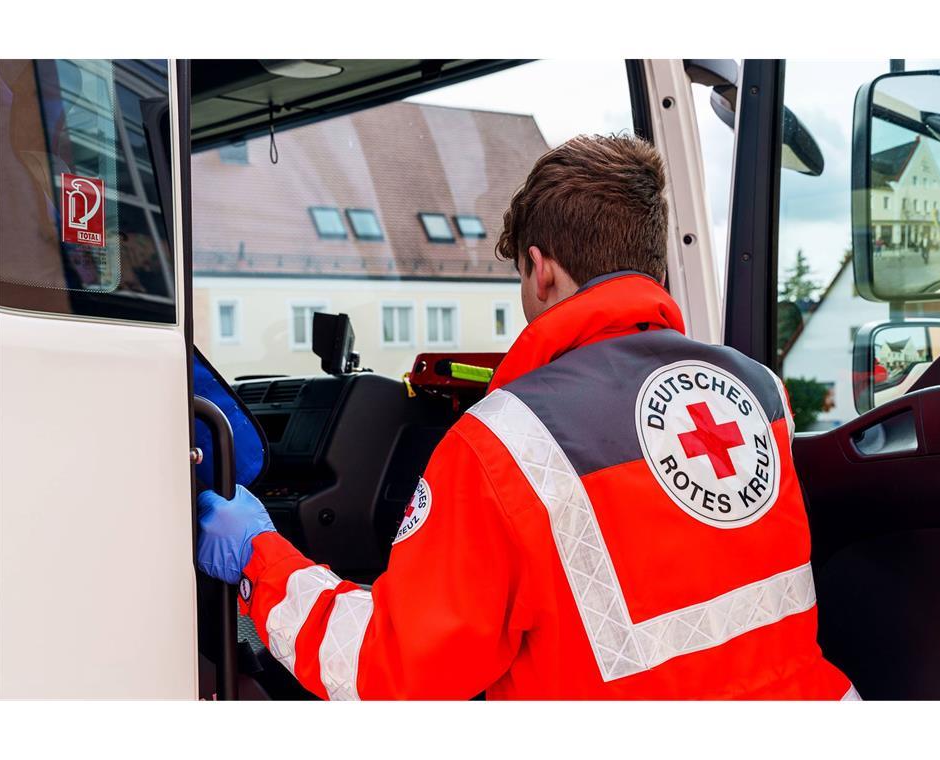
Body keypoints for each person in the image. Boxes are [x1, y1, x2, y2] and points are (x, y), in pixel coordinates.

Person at [196, 134, 856, 700]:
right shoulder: (756, 393)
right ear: (652, 260)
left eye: (520, 275)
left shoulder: (507, 441)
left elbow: (387, 671)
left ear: (540, 271)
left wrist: (260, 555)